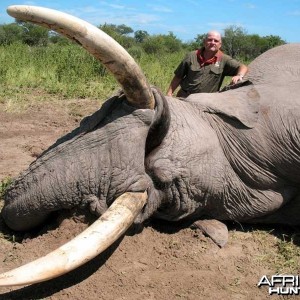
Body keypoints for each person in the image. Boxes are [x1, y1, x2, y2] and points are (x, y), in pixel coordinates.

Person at [167, 30, 248, 98]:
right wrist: (169, 93)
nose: (212, 43)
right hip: (184, 97)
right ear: (204, 41)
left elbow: (243, 67)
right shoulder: (191, 56)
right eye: (210, 40)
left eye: (216, 41)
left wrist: (239, 75)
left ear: (220, 44)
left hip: (206, 101)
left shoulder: (224, 59)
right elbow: (178, 76)